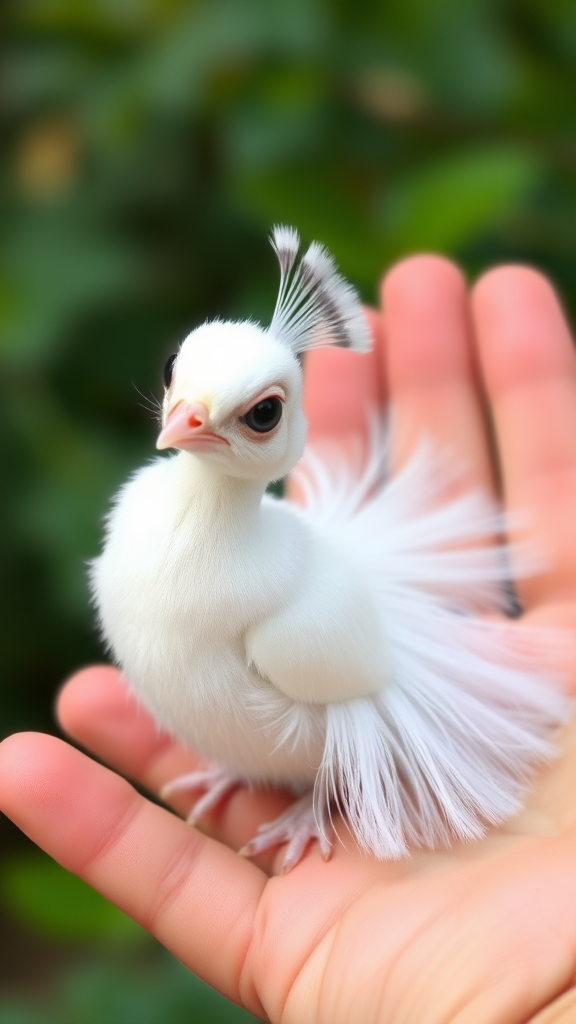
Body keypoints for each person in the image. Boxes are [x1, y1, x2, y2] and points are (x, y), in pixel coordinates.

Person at [0, 255, 575, 1024]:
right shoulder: (142, 521)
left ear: (289, 430)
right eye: (181, 382)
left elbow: (353, 699)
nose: (185, 419)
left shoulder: (294, 612)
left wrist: (320, 799)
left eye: (259, 414)